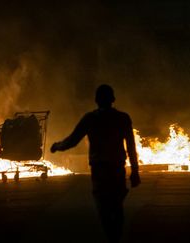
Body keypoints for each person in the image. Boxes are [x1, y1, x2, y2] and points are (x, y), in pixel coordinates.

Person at [50, 84, 141, 243]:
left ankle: (111, 237)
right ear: (113, 99)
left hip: (100, 170)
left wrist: (57, 146)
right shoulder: (123, 118)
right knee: (117, 206)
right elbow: (131, 147)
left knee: (103, 208)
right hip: (117, 169)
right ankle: (116, 238)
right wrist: (135, 171)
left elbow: (72, 140)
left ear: (96, 100)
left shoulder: (90, 119)